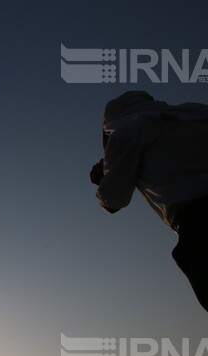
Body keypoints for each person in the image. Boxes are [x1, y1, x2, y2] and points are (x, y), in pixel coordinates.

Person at [89, 91, 208, 312]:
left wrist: (102, 180)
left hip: (199, 221)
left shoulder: (127, 133)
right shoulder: (197, 110)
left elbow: (113, 202)